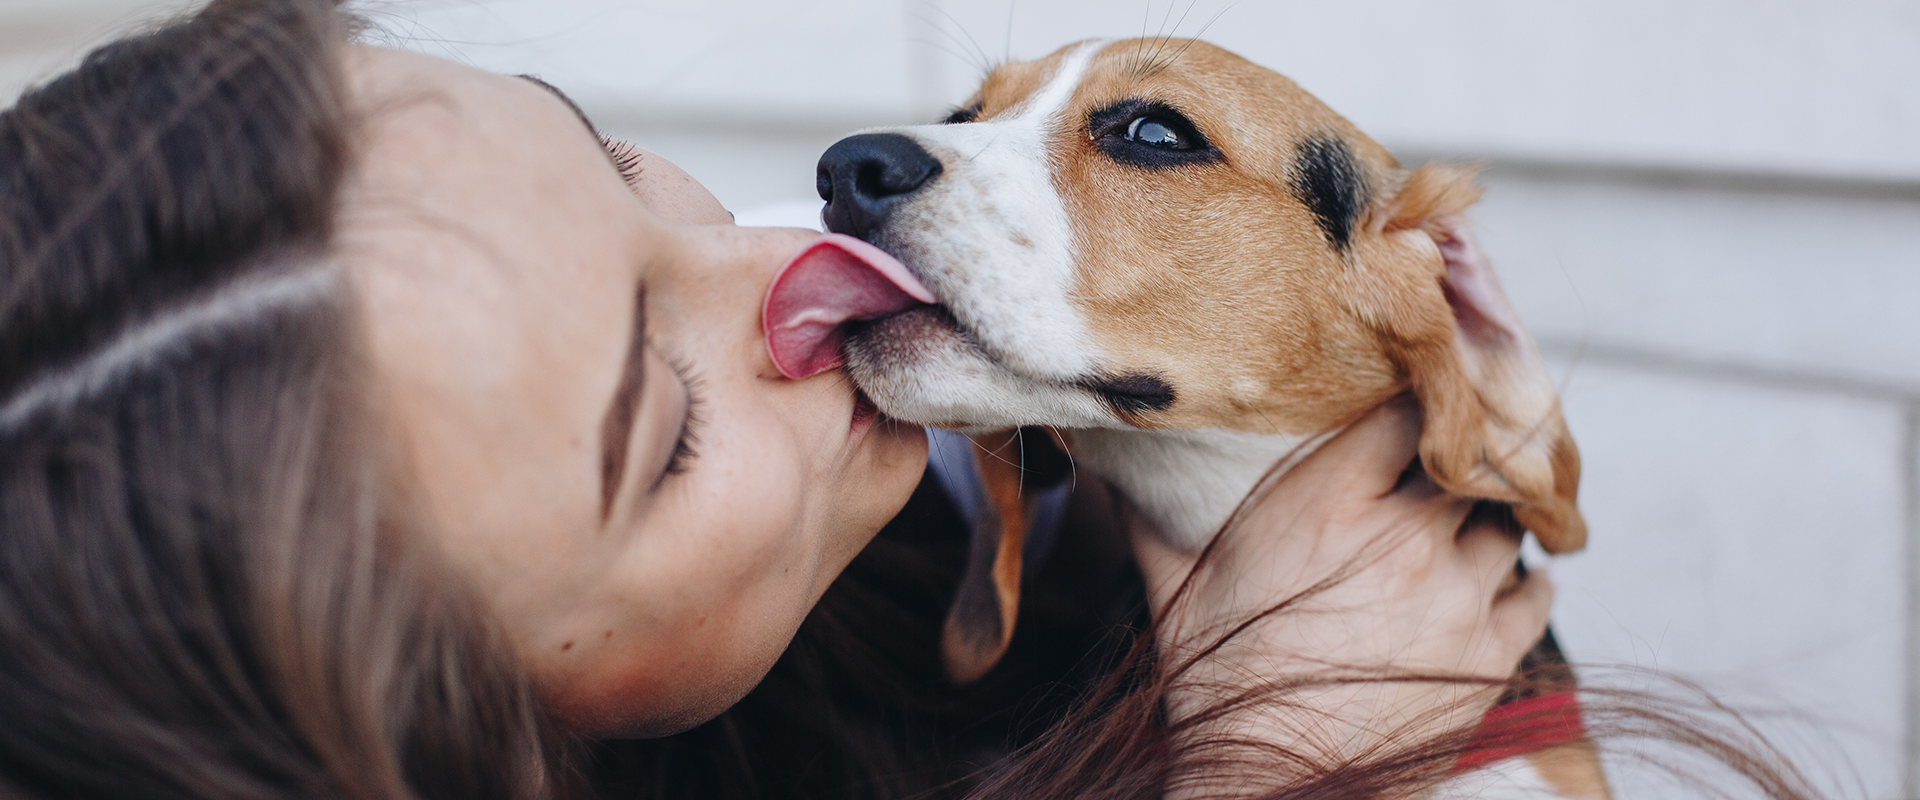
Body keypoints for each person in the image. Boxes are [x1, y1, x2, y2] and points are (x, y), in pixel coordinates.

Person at [0, 1, 1818, 799]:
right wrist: (1273, 763)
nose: (781, 249)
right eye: (664, 430)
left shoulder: (962, 489)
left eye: (615, 161)